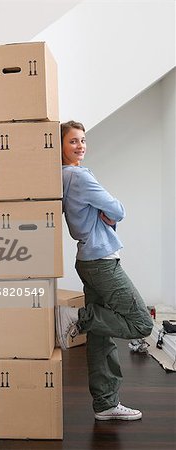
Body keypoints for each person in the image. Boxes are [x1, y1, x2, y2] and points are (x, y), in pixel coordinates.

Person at [55, 120, 153, 421]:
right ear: (59, 145)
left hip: (88, 258)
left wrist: (106, 213)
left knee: (101, 337)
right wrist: (110, 213)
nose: (80, 146)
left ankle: (105, 404)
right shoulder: (79, 176)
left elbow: (107, 212)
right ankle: (75, 316)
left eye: (82, 140)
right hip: (101, 261)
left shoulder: (61, 176)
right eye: (72, 141)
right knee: (141, 324)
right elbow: (118, 209)